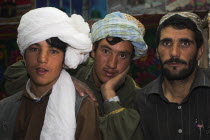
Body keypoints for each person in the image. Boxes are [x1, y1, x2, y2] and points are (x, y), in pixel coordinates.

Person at [3, 11, 148, 140]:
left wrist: (110, 95)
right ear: (92, 51)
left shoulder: (137, 98)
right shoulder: (74, 66)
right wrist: (62, 78)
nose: (112, 64)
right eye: (105, 51)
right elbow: (13, 75)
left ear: (131, 61)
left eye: (122, 55)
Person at [0, 7, 101, 140]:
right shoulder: (5, 108)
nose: (42, 58)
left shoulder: (82, 107)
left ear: (64, 59)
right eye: (35, 49)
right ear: (24, 56)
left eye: (53, 51)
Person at [134, 12, 210, 140]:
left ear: (199, 52)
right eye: (166, 43)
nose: (174, 53)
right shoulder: (142, 102)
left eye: (185, 43)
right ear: (157, 51)